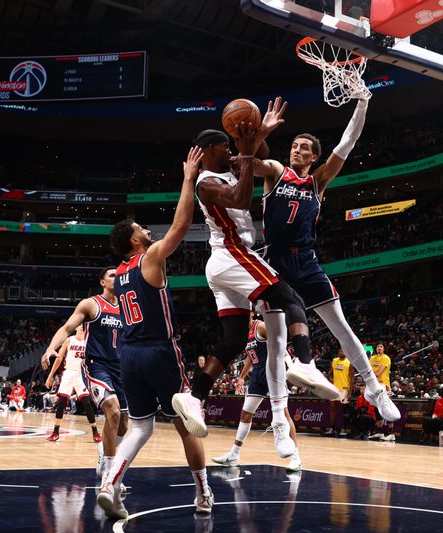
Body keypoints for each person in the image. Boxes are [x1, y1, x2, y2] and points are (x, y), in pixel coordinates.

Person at [172, 98, 327, 462]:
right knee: (290, 298)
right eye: (225, 145)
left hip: (224, 264)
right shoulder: (207, 184)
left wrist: (260, 132)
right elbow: (242, 201)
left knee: (232, 341)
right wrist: (244, 155)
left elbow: (263, 151)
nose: (230, 148)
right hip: (232, 254)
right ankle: (304, 362)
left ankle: (194, 397)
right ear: (211, 149)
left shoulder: (230, 162)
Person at [250, 96, 401, 425]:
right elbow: (248, 161)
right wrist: (260, 133)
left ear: (314, 156)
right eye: (294, 145)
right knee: (276, 338)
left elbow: (349, 141)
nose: (297, 150)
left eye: (305, 148)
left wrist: (363, 103)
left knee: (342, 329)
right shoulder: (276, 172)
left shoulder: (317, 181)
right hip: (274, 260)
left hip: (306, 260)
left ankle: (375, 389)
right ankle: (279, 413)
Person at [99, 146, 213, 518]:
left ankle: (109, 484)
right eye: (141, 230)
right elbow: (181, 227)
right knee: (186, 425)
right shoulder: (150, 258)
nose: (148, 231)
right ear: (134, 241)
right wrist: (187, 178)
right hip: (159, 352)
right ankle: (203, 494)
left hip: (127, 356)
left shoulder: (120, 275)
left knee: (141, 428)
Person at [40, 268, 128, 485]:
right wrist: (51, 348)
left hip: (121, 367)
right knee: (113, 412)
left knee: (123, 425)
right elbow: (67, 327)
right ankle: (109, 472)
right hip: (96, 365)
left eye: (119, 275)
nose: (117, 278)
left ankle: (103, 448)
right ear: (102, 281)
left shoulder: (128, 307)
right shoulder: (91, 304)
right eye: (112, 275)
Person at [211, 317, 302, 472]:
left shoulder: (261, 327)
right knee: (245, 414)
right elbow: (250, 356)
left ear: (251, 313)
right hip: (257, 375)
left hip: (273, 373)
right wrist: (241, 377)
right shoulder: (244, 333)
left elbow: (280, 346)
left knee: (285, 414)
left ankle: (296, 458)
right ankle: (234, 454)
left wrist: (291, 366)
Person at [45, 325, 102, 443]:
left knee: (87, 403)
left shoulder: (89, 341)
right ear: (75, 328)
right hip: (69, 372)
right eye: (79, 325)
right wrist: (50, 376)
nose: (81, 326)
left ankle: (95, 432)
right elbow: (59, 358)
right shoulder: (69, 340)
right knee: (61, 402)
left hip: (82, 374)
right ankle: (56, 432)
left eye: (83, 325)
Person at [325, 348, 353, 437]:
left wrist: (350, 392)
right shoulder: (334, 361)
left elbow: (352, 378)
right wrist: (331, 379)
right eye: (341, 351)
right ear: (338, 352)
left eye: (344, 351)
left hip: (344, 389)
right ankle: (332, 428)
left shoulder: (349, 362)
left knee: (343, 409)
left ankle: (344, 428)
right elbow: (330, 374)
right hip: (335, 389)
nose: (342, 352)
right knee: (332, 407)